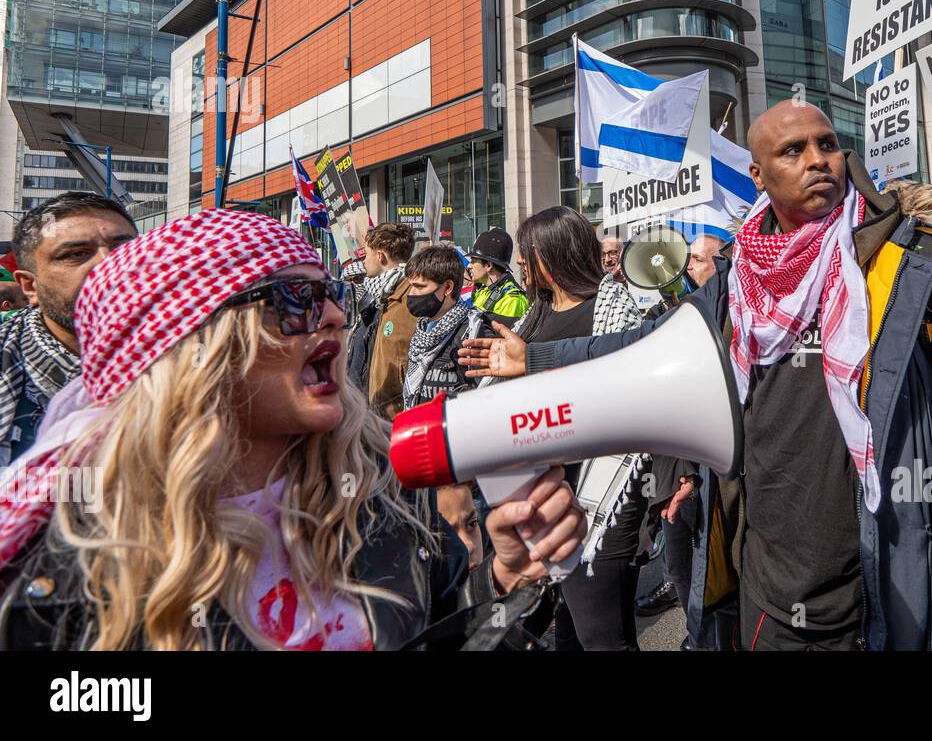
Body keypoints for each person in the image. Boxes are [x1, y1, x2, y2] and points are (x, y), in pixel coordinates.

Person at [463, 100, 932, 651]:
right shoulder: (731, 287)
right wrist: (538, 359)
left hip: (896, 601)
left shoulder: (926, 271)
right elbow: (647, 347)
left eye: (827, 144)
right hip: (765, 603)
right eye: (792, 151)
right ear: (758, 175)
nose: (817, 159)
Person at [0, 209, 585, 650]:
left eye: (328, 293)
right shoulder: (71, 561)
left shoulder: (378, 492)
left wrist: (504, 584)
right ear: (194, 344)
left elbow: (446, 630)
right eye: (296, 299)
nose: (333, 315)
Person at [484, 206, 644, 650]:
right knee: (566, 631)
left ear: (552, 255)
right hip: (544, 491)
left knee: (603, 634)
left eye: (527, 253)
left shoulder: (611, 309)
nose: (518, 263)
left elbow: (626, 392)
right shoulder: (532, 315)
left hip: (600, 492)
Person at [0, 194, 136, 467]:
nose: (109, 266)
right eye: (76, 254)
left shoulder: (208, 357)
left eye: (125, 249)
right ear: (29, 286)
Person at [636, 232, 725, 625]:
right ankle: (696, 628)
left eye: (697, 260)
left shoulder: (724, 315)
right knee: (680, 561)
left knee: (709, 564)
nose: (687, 266)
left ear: (719, 265)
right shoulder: (669, 313)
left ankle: (705, 633)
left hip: (704, 467)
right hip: (678, 467)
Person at [348, 222, 417, 419]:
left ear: (380, 256)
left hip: (394, 419)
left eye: (366, 255)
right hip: (374, 415)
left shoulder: (410, 299)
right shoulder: (378, 297)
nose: (364, 262)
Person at [402, 244, 479, 410]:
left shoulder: (472, 333)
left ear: (448, 287)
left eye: (420, 286)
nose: (412, 293)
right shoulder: (422, 331)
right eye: (411, 286)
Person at [466, 227, 529, 325]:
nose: (469, 266)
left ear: (488, 265)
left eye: (473, 261)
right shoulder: (482, 291)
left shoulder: (512, 300)